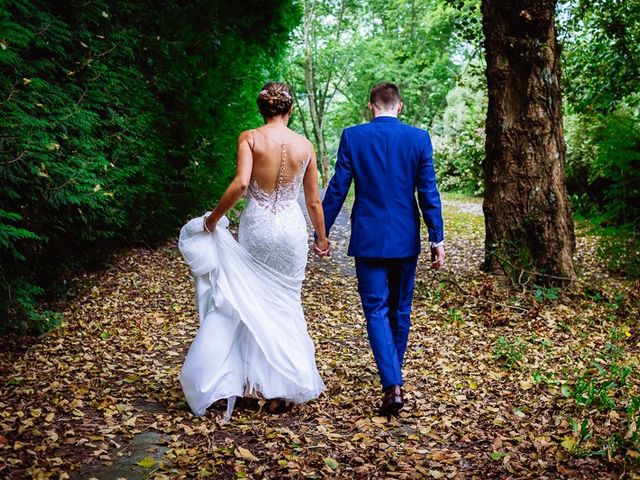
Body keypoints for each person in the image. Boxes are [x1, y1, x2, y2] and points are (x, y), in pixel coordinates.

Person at [178, 82, 327, 419]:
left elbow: (242, 184)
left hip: (258, 228)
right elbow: (313, 200)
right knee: (285, 302)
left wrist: (214, 220)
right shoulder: (305, 145)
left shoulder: (250, 137)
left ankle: (251, 383)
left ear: (262, 110)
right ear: (289, 110)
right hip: (290, 230)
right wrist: (321, 237)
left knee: (249, 300)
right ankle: (282, 386)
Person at [315, 82, 445, 417]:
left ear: (370, 106)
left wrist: (321, 232)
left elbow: (337, 188)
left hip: (369, 239)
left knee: (375, 310)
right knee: (400, 310)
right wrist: (436, 237)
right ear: (399, 106)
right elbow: (427, 191)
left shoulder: (354, 137)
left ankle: (392, 382)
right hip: (405, 239)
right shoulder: (418, 138)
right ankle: (393, 379)